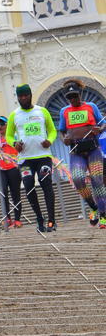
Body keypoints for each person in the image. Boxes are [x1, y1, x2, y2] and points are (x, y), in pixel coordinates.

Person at [5, 84, 57, 233]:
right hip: (25, 159)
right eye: (20, 96)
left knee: (46, 183)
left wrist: (50, 141)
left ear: (30, 95)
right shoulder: (14, 115)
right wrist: (14, 144)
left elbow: (52, 131)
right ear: (17, 97)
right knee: (28, 186)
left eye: (25, 95)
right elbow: (9, 135)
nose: (23, 98)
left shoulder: (42, 111)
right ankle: (39, 219)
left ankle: (51, 220)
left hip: (43, 156)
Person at [58, 79, 106, 229]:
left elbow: (103, 123)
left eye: (75, 95)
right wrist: (64, 139)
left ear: (80, 94)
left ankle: (103, 215)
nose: (73, 99)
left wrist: (100, 129)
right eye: (70, 97)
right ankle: (94, 207)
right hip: (76, 151)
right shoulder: (64, 111)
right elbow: (62, 131)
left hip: (93, 150)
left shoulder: (91, 107)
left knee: (97, 180)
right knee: (78, 179)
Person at [0, 117, 22, 227]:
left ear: (7, 125)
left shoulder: (14, 137)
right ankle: (7, 219)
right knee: (3, 194)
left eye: (2, 124)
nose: (0, 126)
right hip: (1, 170)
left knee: (16, 194)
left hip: (14, 168)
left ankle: (17, 219)